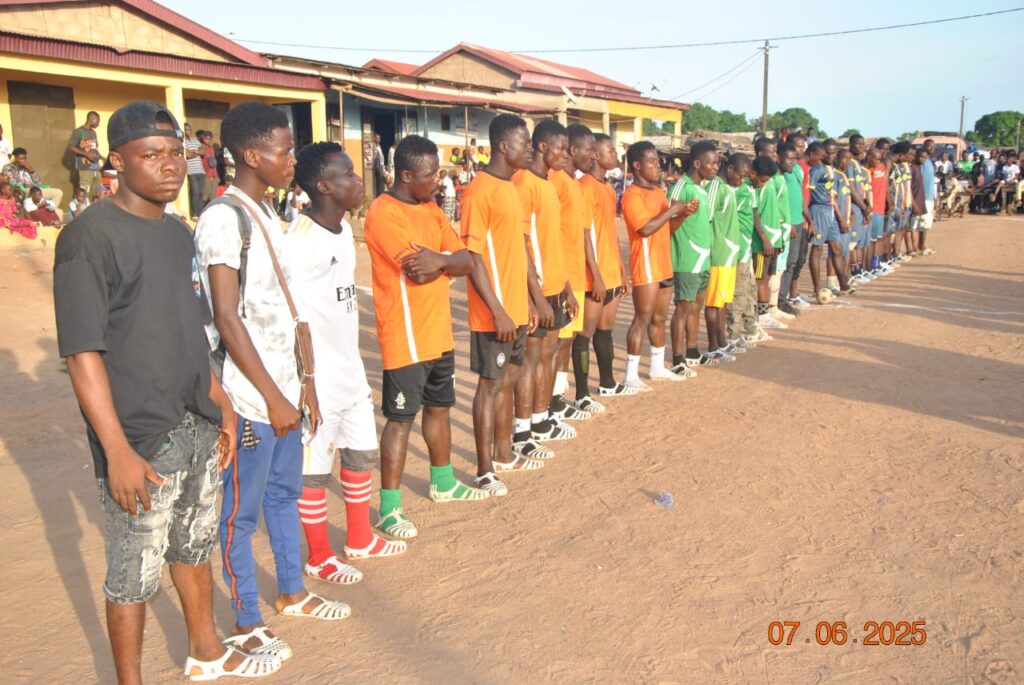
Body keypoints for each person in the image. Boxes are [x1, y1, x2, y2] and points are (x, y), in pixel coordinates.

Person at [54, 100, 280, 683]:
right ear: (117, 161)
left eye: (176, 153)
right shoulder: (88, 238)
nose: (170, 165)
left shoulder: (179, 234)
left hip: (197, 423)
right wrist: (117, 449)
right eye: (151, 154)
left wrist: (221, 402)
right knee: (133, 572)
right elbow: (82, 354)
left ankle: (205, 650)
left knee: (193, 546)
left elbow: (191, 329)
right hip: (140, 438)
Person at [195, 102, 350, 664]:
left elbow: (286, 307)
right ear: (251, 155)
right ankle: (245, 621)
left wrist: (304, 384)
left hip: (284, 390)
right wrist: (272, 395)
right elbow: (227, 317)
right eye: (285, 151)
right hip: (250, 396)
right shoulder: (223, 218)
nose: (292, 160)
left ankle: (291, 590)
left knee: (285, 495)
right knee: (240, 513)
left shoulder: (267, 212)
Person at [278, 142, 408, 586]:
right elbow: (288, 316)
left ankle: (359, 538)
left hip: (349, 369)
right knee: (314, 470)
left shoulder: (343, 233)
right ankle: (319, 556)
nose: (358, 181)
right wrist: (305, 382)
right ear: (323, 186)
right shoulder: (299, 243)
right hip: (316, 379)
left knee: (359, 452)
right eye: (348, 175)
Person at [365, 135, 488, 539]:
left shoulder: (432, 210)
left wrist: (440, 260)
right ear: (405, 176)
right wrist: (443, 261)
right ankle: (389, 509)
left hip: (438, 333)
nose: (438, 180)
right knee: (400, 421)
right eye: (430, 174)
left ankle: (443, 481)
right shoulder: (384, 213)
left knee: (439, 408)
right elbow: (417, 271)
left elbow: (467, 261)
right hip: (405, 336)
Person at [461, 113, 540, 497]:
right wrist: (498, 311)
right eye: (525, 143)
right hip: (494, 314)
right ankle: (483, 470)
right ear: (503, 146)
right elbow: (473, 257)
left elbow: (518, 251)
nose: (531, 149)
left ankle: (504, 452)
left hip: (516, 310)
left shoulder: (511, 187)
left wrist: (531, 300)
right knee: (489, 386)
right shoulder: (480, 191)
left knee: (508, 380)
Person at [511, 119, 578, 461]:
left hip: (554, 285)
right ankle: (521, 432)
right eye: (561, 148)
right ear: (542, 147)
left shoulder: (548, 182)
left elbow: (552, 241)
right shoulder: (524, 183)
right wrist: (534, 297)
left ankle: (540, 421)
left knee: (548, 355)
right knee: (530, 360)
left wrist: (566, 287)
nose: (565, 155)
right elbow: (521, 243)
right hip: (537, 290)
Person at [621, 141, 694, 388]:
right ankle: (630, 375)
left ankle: (657, 367)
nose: (658, 166)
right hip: (646, 263)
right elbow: (645, 229)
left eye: (657, 161)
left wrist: (683, 214)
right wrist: (673, 209)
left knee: (659, 318)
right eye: (652, 161)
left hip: (662, 262)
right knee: (641, 318)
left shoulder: (658, 192)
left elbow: (666, 227)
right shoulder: (632, 195)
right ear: (637, 165)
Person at [548, 125, 604, 414]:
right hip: (561, 278)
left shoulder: (574, 184)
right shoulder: (555, 181)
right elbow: (550, 236)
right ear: (572, 150)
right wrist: (565, 282)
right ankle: (548, 406)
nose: (593, 155)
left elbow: (581, 235)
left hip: (576, 276)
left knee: (566, 341)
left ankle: (558, 400)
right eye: (589, 149)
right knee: (555, 345)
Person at [579, 133, 631, 401]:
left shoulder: (608, 189)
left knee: (605, 331)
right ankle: (581, 393)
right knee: (583, 335)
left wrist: (621, 270)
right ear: (596, 155)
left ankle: (608, 382)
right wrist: (596, 275)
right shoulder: (585, 187)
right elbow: (585, 235)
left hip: (611, 272)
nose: (616, 155)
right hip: (594, 275)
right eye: (610, 150)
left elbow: (610, 233)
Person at [668, 141, 722, 367]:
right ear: (698, 164)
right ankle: (677, 358)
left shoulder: (703, 189)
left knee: (696, 307)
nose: (716, 167)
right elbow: (668, 222)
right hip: (686, 259)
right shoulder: (682, 187)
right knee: (683, 308)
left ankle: (692, 351)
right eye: (712, 163)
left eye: (718, 163)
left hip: (702, 259)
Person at [724, 153, 764, 346]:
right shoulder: (732, 191)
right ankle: (734, 334)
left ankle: (751, 327)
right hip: (737, 248)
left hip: (746, 247)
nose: (744, 179)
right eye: (742, 175)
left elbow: (753, 215)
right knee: (738, 294)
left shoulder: (748, 190)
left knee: (749, 290)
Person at [805, 141, 852, 300]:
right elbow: (808, 193)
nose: (830, 156)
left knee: (837, 248)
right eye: (828, 153)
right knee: (817, 249)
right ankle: (817, 288)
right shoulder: (817, 170)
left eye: (833, 153)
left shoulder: (832, 171)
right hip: (819, 210)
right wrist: (810, 218)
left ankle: (844, 284)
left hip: (830, 211)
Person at [778, 141, 809, 312]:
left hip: (797, 222)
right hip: (786, 224)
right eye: (790, 158)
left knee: (792, 262)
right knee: (782, 264)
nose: (794, 161)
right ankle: (777, 301)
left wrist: (809, 219)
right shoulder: (778, 176)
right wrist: (786, 223)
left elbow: (800, 197)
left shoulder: (795, 170)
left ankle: (782, 299)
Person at [67, 111, 103, 198]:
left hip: (96, 168)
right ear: (92, 119)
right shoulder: (78, 132)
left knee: (98, 193)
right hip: (85, 167)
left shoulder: (93, 133)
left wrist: (101, 157)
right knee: (84, 194)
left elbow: (94, 149)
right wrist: (85, 154)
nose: (98, 124)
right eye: (97, 121)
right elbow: (70, 147)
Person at [182, 123, 204, 220]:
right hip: (192, 171)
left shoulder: (195, 140)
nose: (188, 131)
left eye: (189, 129)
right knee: (195, 192)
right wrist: (197, 153)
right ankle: (194, 214)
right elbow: (187, 155)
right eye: (186, 129)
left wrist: (194, 152)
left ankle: (200, 213)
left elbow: (204, 151)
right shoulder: (183, 142)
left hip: (201, 171)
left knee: (201, 193)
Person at [200, 130, 220, 206]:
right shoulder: (201, 147)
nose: (208, 141)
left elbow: (213, 163)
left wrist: (217, 176)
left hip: (213, 175)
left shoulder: (211, 148)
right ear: (203, 138)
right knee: (204, 197)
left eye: (209, 139)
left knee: (213, 197)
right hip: (206, 175)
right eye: (206, 139)